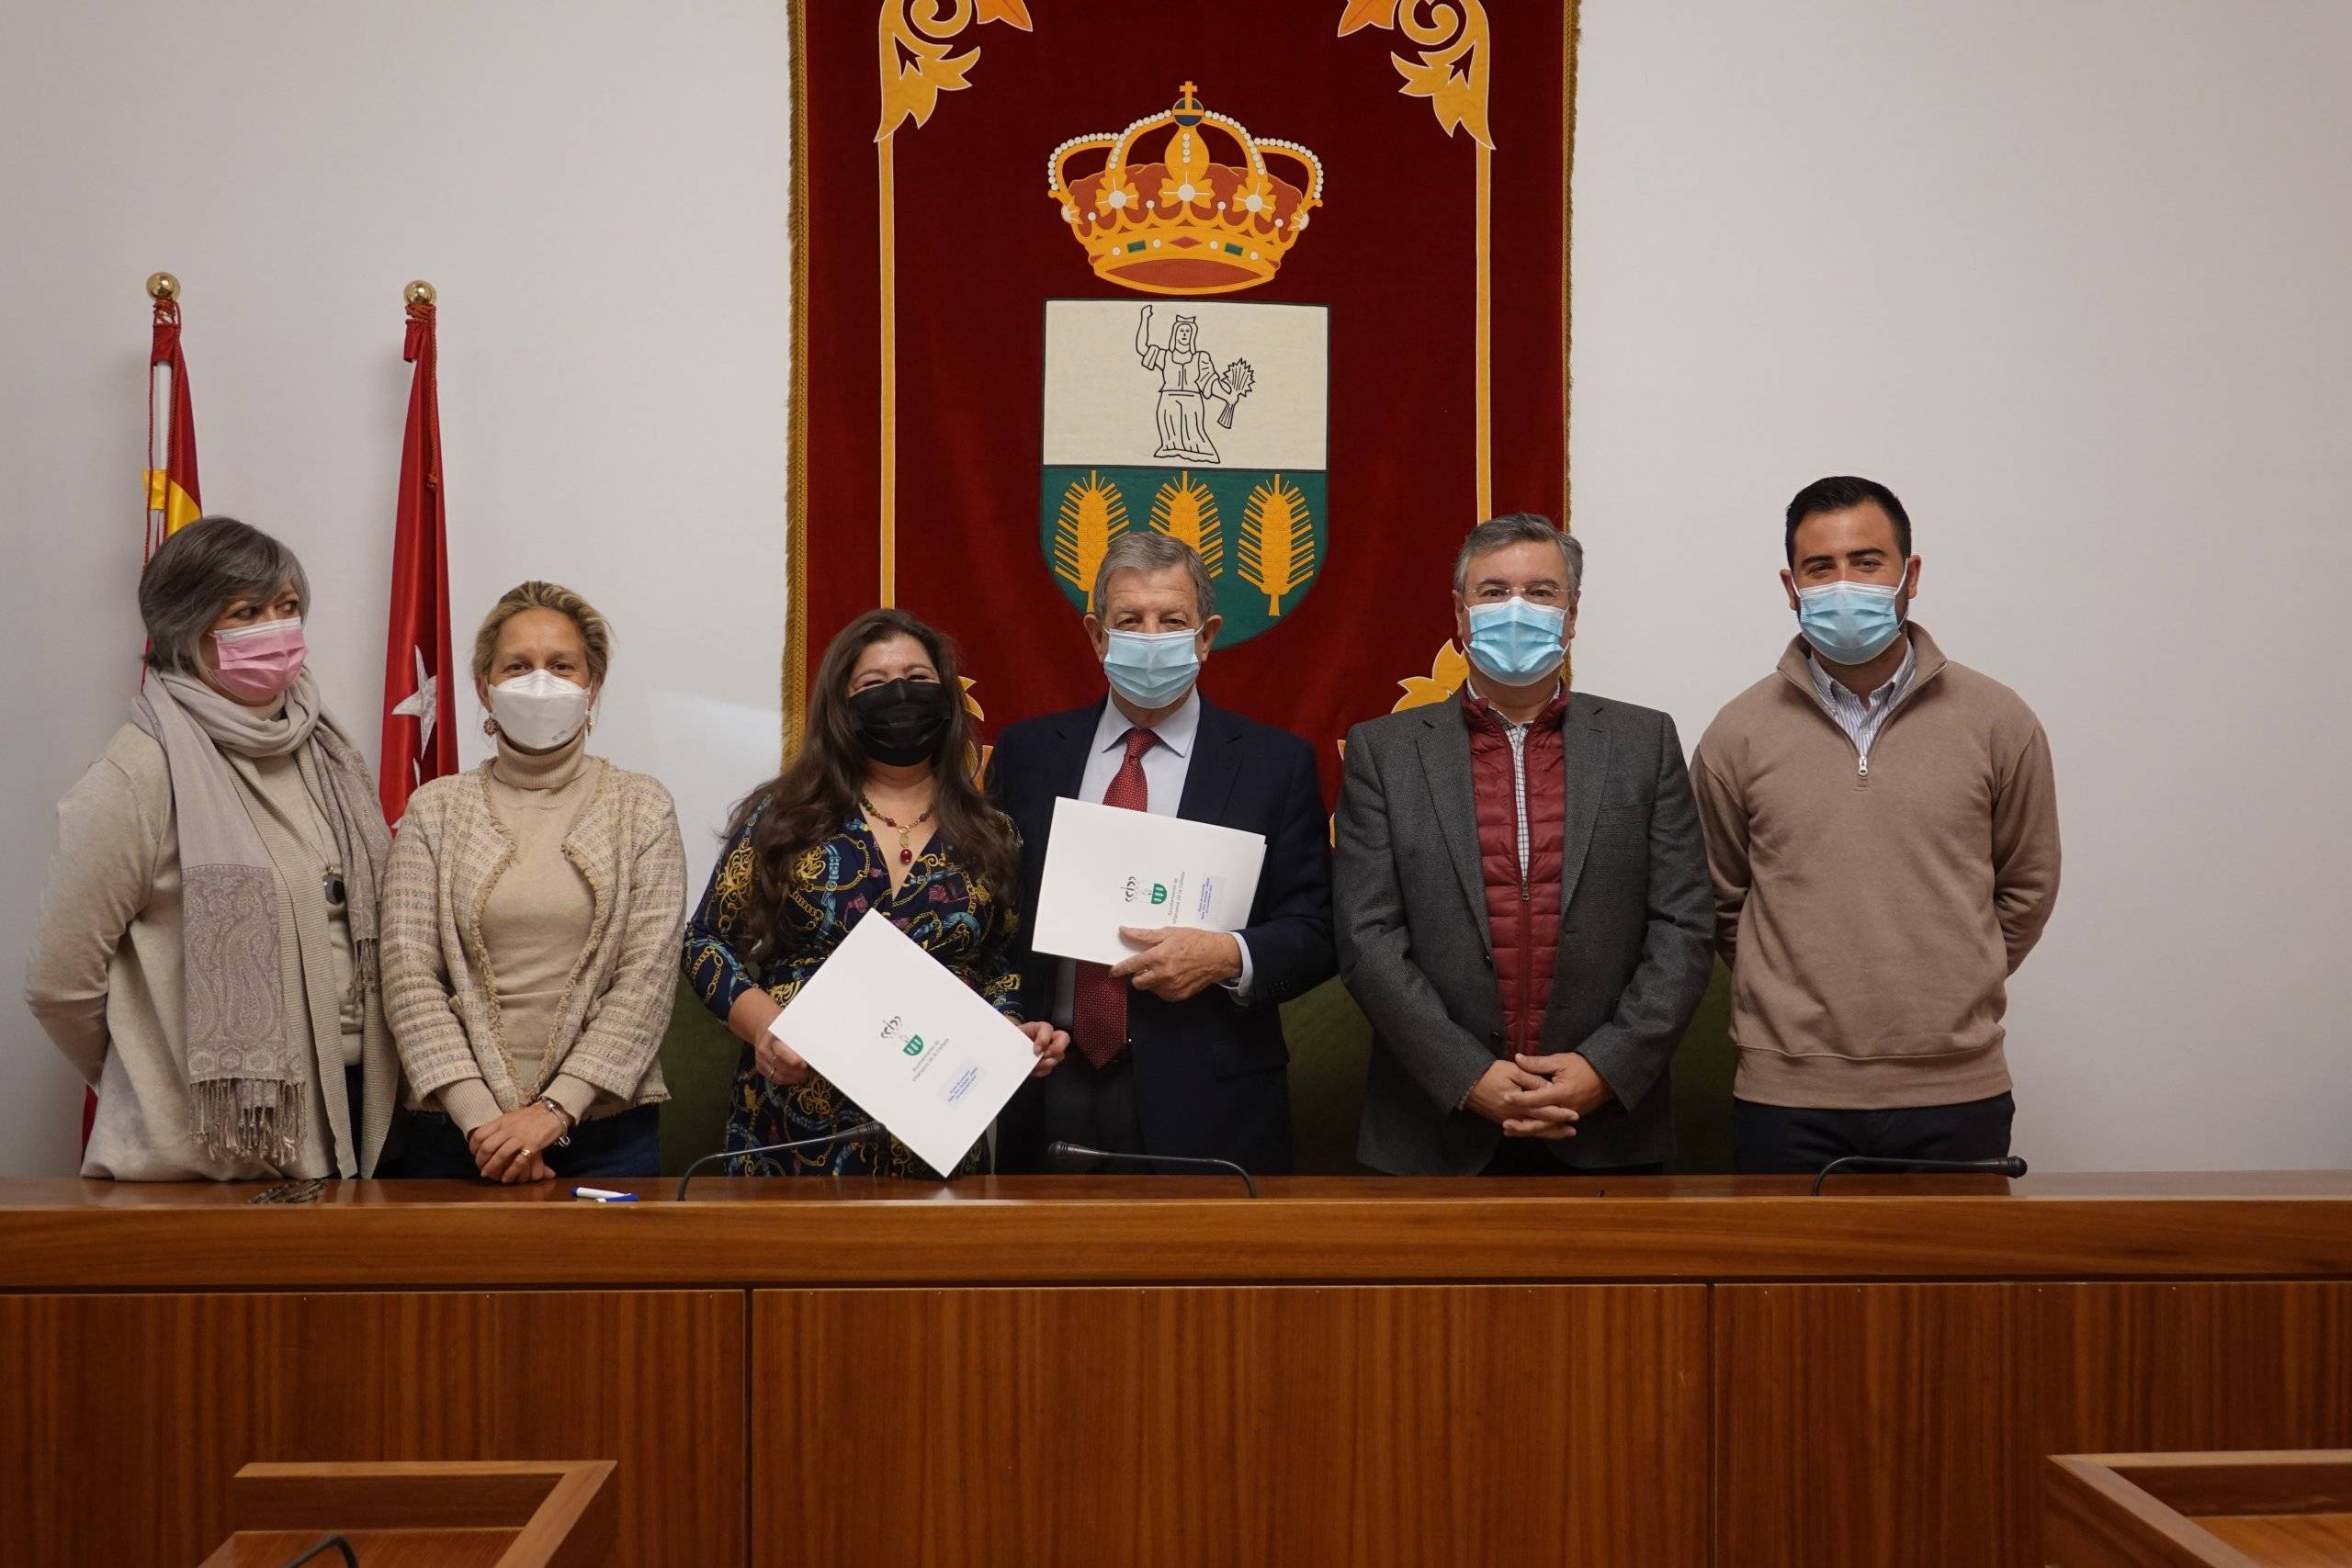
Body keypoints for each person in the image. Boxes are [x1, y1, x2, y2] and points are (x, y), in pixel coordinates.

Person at [1691, 476, 2060, 1175]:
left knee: (1944, 1288)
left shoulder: (1998, 721)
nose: (1843, 584)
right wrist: (1791, 986)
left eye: (1867, 562)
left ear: (1909, 574)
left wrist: (1952, 977)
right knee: (1786, 1288)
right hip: (1785, 1098)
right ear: (1790, 585)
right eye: (1819, 568)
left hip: (1957, 1089)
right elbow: (1720, 898)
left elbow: (2027, 885)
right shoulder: (1737, 733)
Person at [1335, 513, 1713, 1176]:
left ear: (1571, 614)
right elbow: (1366, 936)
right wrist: (1465, 1075)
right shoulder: (1384, 751)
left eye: (1541, 592)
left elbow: (1684, 925)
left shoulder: (1643, 743)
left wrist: (1607, 1067)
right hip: (1432, 1132)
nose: (1518, 609)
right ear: (1460, 613)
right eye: (1493, 591)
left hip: (1607, 1128)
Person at [26, 517, 398, 1179]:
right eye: (246, 612)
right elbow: (60, 984)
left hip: (354, 1121)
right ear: (186, 629)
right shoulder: (139, 773)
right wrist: (162, 1067)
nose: (276, 628)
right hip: (207, 1157)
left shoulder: (330, 753)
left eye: (286, 607)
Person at [990, 532, 1335, 1175]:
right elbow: (991, 920)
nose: (1151, 637)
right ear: (1097, 635)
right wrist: (1005, 1018)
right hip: (1044, 1082)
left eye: (1172, 621)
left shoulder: (1274, 765)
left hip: (1210, 1097)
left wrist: (1227, 955)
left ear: (1205, 636)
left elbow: (1318, 928)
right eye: (1130, 621)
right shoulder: (1027, 754)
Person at [683, 609, 1068, 1177]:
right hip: (793, 1125)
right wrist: (765, 1026)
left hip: (935, 1137)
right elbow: (705, 943)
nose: (900, 696)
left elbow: (1000, 969)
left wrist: (1014, 1035)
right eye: (874, 685)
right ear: (842, 705)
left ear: (948, 696)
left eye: (918, 679)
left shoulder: (994, 833)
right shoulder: (784, 816)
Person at [382, 582, 685, 1183]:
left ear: (592, 685)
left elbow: (647, 979)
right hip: (457, 1139)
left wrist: (552, 1111)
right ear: (484, 688)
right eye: (517, 666)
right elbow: (408, 972)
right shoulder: (435, 809)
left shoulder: (642, 807)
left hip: (608, 1135)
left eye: (561, 665)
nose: (539, 680)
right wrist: (485, 1124)